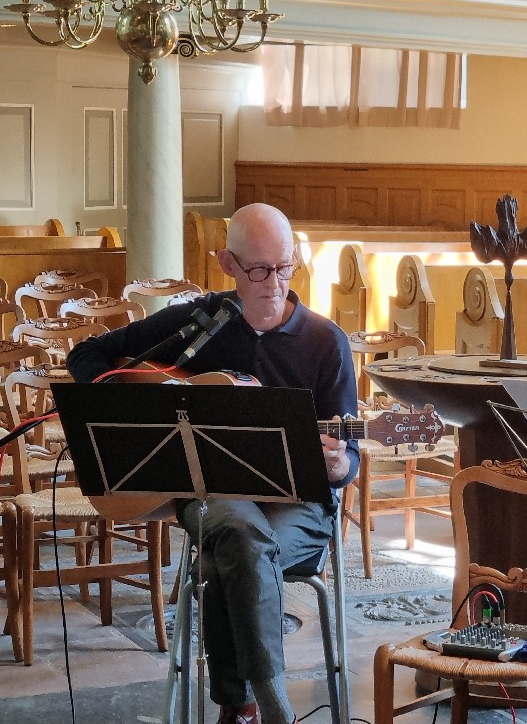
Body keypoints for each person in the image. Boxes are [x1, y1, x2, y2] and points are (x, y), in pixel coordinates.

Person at [67, 203, 360, 724]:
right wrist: (127, 399)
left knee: (235, 555)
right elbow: (89, 353)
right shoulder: (198, 324)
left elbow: (350, 455)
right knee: (237, 536)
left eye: (286, 266)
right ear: (227, 263)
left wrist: (340, 466)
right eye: (258, 269)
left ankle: (240, 708)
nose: (275, 282)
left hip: (301, 508)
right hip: (214, 496)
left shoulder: (325, 342)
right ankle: (271, 707)